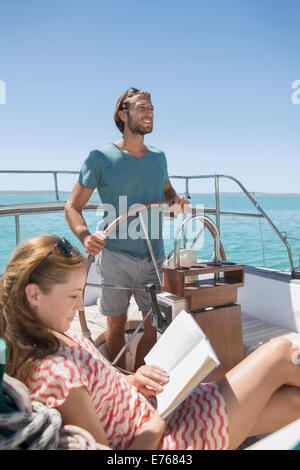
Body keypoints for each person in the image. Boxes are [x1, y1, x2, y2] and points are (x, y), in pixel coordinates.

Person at [2, 234, 300, 451]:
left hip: (160, 411)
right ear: (34, 295)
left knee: (294, 402)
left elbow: (101, 388)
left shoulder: (58, 334)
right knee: (281, 352)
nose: (81, 305)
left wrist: (133, 382)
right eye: (72, 296)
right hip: (166, 439)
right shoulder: (55, 376)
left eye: (81, 293)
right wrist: (159, 422)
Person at [65, 87, 189, 371]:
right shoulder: (100, 157)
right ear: (123, 114)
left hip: (154, 258)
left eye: (152, 107)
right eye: (142, 107)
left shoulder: (159, 158)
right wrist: (86, 237)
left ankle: (143, 380)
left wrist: (177, 202)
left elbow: (168, 196)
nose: (150, 112)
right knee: (116, 322)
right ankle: (118, 380)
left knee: (155, 326)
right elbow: (72, 206)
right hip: (114, 256)